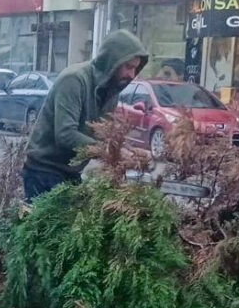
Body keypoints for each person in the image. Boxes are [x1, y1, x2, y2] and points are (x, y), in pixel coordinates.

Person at [21, 29, 148, 200]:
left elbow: (103, 135)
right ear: (112, 62)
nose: (132, 75)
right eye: (128, 67)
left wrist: (126, 151)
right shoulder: (74, 80)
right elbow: (65, 135)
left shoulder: (111, 91)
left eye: (135, 68)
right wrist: (109, 150)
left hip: (71, 172)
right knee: (52, 226)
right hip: (44, 171)